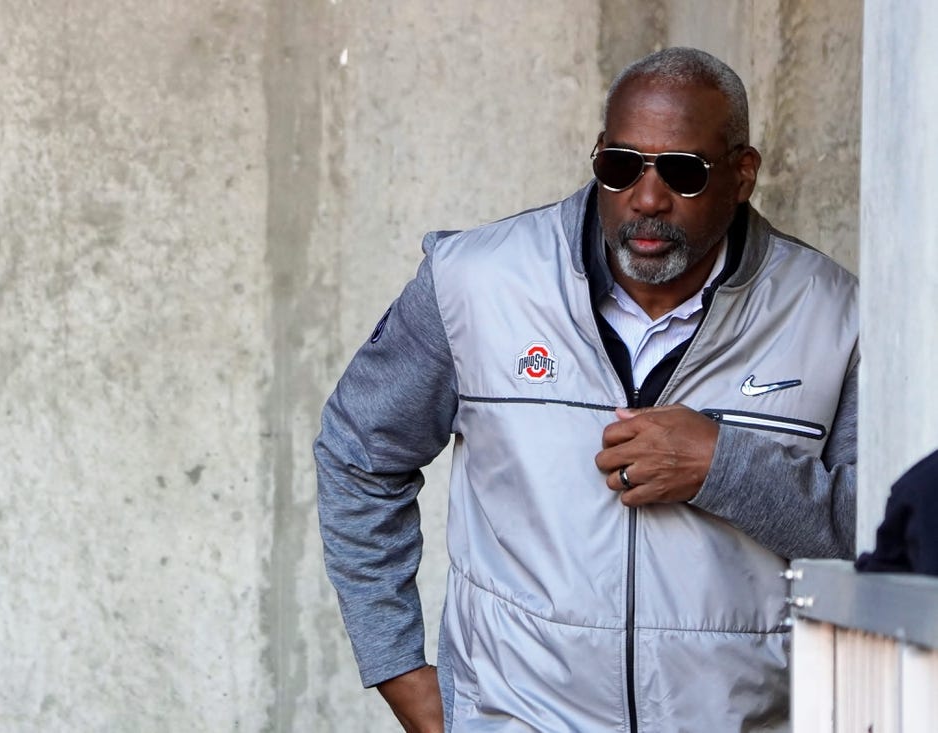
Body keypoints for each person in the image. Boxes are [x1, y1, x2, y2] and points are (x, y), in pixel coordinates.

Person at [314, 47, 858, 732]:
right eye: (621, 166)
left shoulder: (835, 316)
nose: (647, 197)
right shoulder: (475, 284)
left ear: (742, 173)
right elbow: (358, 454)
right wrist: (401, 672)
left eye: (684, 173)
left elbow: (889, 537)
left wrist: (725, 467)